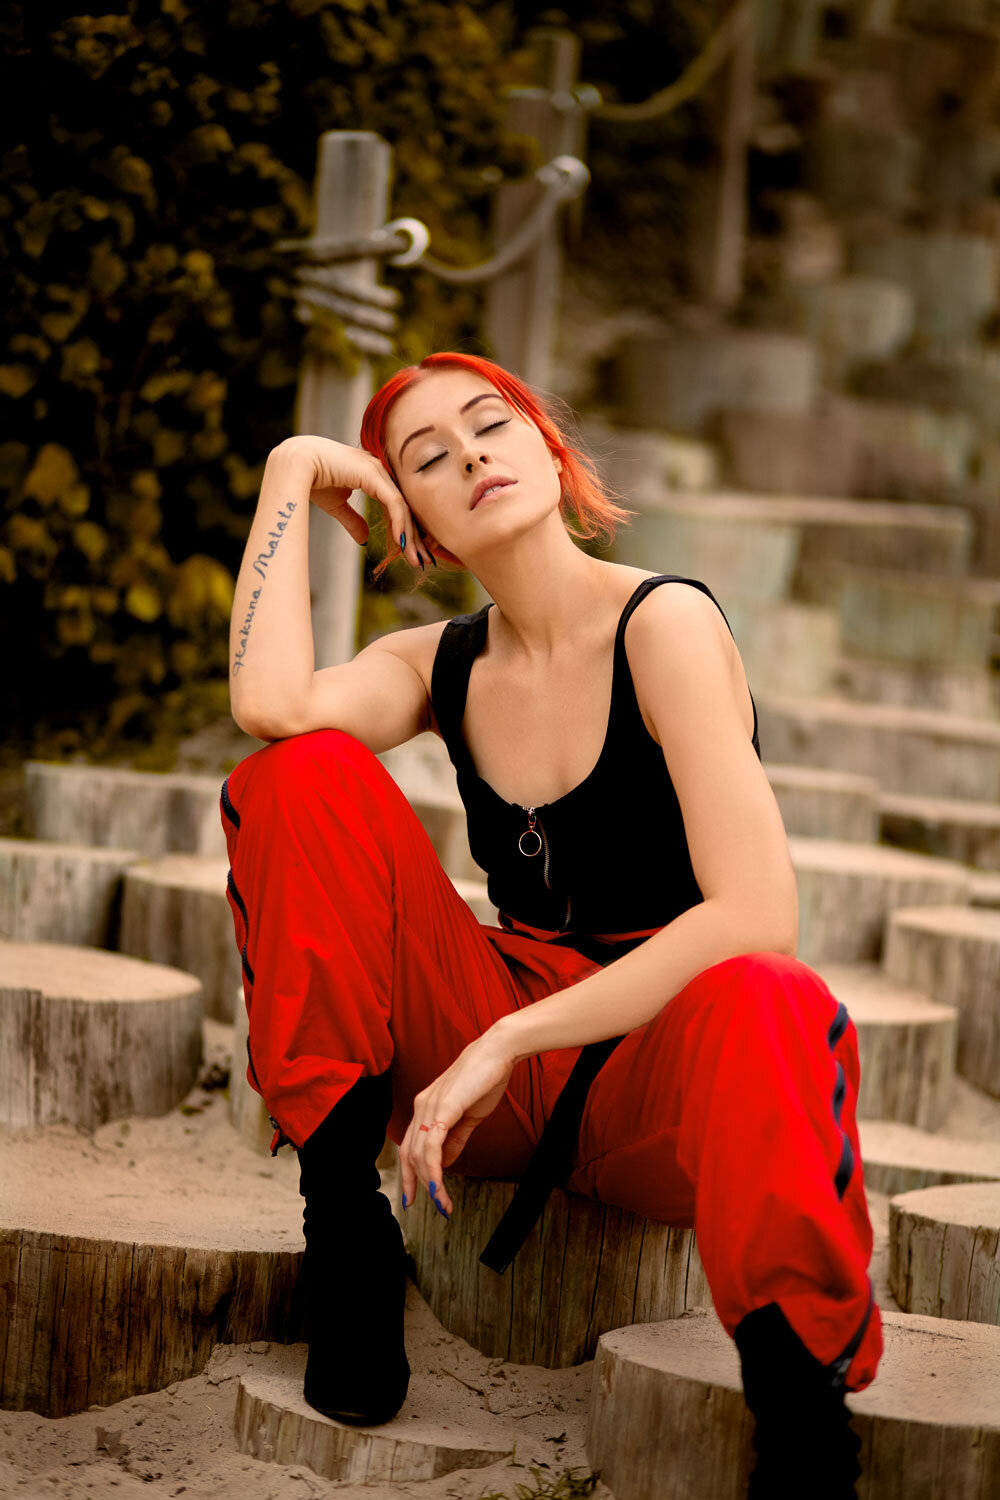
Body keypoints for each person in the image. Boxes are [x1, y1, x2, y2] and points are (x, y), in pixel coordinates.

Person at [220, 351, 881, 1495]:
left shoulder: (662, 624)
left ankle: (800, 1414)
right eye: (426, 456)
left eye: (492, 424)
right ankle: (346, 1235)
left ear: (550, 450)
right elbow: (269, 706)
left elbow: (759, 911)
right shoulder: (434, 661)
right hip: (502, 1046)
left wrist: (504, 1042)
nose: (469, 453)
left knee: (774, 996)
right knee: (300, 775)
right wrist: (291, 474)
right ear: (413, 525)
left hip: (659, 1062)